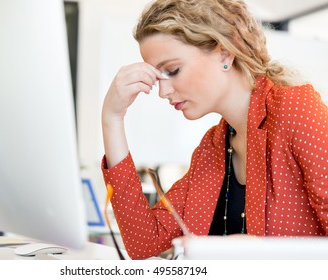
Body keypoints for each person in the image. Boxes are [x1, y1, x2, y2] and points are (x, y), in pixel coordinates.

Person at [101, 0, 328, 260]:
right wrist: (112, 119)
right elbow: (144, 242)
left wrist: (266, 253)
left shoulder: (294, 109)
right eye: (158, 77)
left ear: (224, 53)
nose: (163, 92)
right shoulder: (213, 146)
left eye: (172, 71)